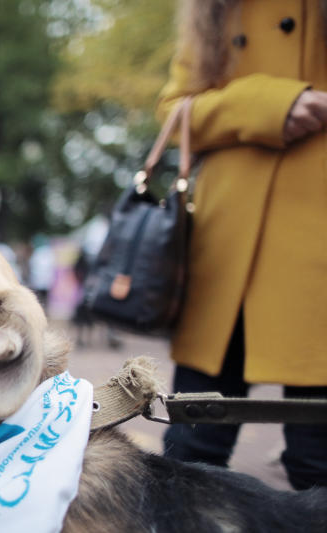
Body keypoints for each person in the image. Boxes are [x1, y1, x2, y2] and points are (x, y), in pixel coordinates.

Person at [159, 0, 327, 491]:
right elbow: (173, 111)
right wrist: (261, 102)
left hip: (316, 250)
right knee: (191, 457)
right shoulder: (213, 9)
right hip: (225, 254)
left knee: (317, 463)